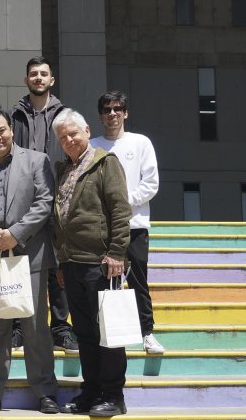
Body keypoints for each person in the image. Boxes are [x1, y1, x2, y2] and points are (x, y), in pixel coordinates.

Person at [0, 110, 59, 414]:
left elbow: (45, 202)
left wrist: (16, 234)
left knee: (34, 327)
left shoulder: (36, 160)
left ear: (11, 131)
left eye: (1, 131)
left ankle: (45, 392)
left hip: (29, 254)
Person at [51, 108, 132, 417]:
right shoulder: (63, 170)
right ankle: (91, 390)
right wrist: (61, 260)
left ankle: (113, 395)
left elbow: (120, 210)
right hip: (71, 263)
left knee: (108, 332)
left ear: (86, 130)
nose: (69, 139)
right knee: (84, 333)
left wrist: (117, 253)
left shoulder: (106, 163)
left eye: (73, 133)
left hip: (101, 262)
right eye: (63, 137)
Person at [9, 56, 76, 354]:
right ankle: (17, 328)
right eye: (33, 74)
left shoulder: (67, 114)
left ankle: (60, 327)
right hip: (22, 197)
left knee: (56, 264)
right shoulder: (14, 115)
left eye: (43, 74)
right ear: (26, 80)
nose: (38, 78)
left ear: (52, 80)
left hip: (58, 194)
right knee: (17, 264)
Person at [90, 90, 164, 354]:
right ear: (100, 116)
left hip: (135, 225)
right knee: (102, 283)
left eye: (117, 109)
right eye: (107, 110)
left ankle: (147, 333)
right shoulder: (92, 145)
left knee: (138, 281)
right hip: (102, 228)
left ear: (125, 113)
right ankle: (105, 333)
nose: (112, 114)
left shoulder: (140, 142)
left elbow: (151, 183)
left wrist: (122, 204)